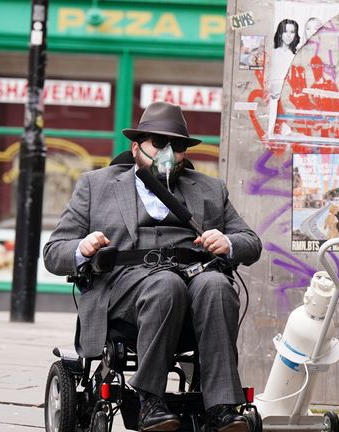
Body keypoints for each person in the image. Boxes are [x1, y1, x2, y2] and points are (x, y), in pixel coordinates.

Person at [43, 101, 263, 432]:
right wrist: (82, 247)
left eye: (177, 146)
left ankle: (221, 408)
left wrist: (228, 242)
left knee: (217, 285)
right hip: (123, 288)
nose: (167, 152)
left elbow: (251, 242)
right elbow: (53, 252)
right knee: (164, 284)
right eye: (158, 143)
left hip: (194, 283)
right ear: (136, 147)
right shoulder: (96, 185)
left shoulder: (209, 189)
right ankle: (150, 401)